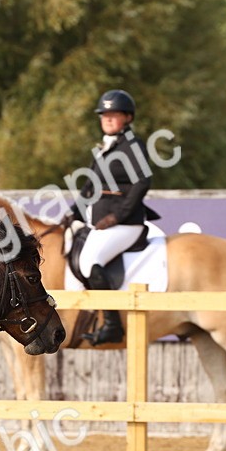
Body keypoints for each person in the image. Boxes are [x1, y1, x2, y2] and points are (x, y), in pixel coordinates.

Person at [70, 89, 153, 345]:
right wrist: (71, 214)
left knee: (89, 260)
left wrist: (117, 217)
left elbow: (142, 183)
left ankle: (112, 324)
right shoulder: (106, 147)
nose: (107, 118)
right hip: (99, 222)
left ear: (127, 117)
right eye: (103, 114)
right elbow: (89, 186)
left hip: (126, 223)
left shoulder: (133, 145)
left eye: (113, 114)